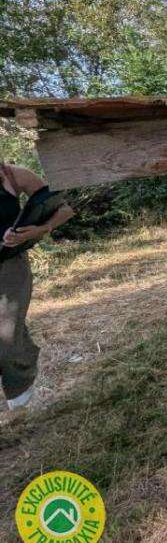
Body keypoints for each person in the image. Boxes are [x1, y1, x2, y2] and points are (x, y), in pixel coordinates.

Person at [0, 163, 74, 410]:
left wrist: (38, 230)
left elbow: (63, 209)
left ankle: (20, 385)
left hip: (10, 267)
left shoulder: (14, 175)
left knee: (8, 341)